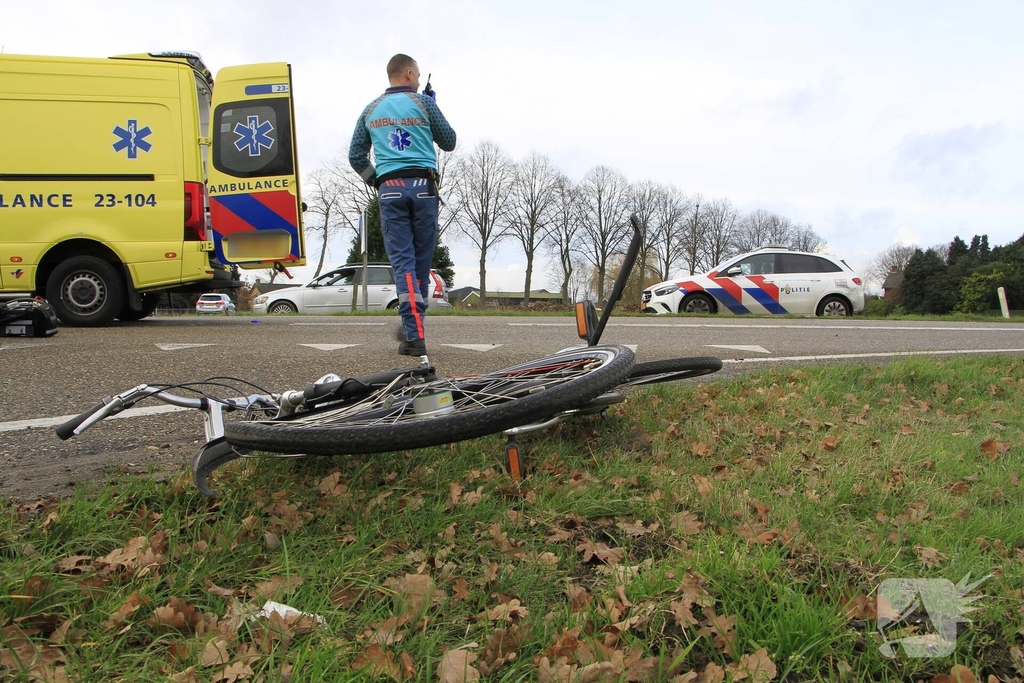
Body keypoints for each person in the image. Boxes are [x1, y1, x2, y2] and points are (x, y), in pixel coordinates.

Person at [349, 54, 457, 356]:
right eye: (418, 75)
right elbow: (449, 140)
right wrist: (432, 105)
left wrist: (378, 181)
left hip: (391, 190)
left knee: (404, 265)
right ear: (409, 73)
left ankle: (414, 333)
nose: (420, 80)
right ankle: (414, 331)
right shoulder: (424, 104)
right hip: (424, 188)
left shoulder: (371, 110)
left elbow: (356, 156)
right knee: (420, 267)